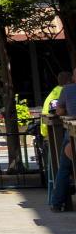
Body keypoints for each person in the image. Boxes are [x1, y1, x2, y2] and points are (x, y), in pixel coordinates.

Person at [49, 71, 76, 211]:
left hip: (73, 133)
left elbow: (58, 111)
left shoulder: (68, 89)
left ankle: (57, 203)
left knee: (64, 168)